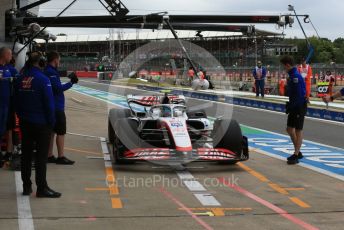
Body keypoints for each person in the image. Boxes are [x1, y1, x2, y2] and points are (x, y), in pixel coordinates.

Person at [15, 52, 61, 197]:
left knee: (26, 156)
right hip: (41, 124)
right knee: (41, 157)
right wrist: (51, 122)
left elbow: (15, 102)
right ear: (41, 63)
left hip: (25, 122)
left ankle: (26, 186)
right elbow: (49, 104)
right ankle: (42, 188)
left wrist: (22, 117)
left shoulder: (20, 78)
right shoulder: (43, 79)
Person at [44, 51, 78, 165]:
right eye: (59, 60)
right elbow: (58, 88)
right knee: (61, 132)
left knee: (52, 132)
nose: (59, 62)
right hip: (56, 107)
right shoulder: (51, 72)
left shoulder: (49, 70)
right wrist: (71, 83)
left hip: (52, 105)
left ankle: (49, 155)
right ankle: (61, 156)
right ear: (55, 60)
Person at [280, 56, 307, 165]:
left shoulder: (295, 76)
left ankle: (296, 154)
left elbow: (300, 95)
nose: (283, 69)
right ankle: (298, 151)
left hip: (299, 106)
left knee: (298, 130)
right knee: (289, 129)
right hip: (293, 105)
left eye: (283, 66)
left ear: (287, 65)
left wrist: (293, 106)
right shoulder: (291, 76)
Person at [3, 57, 19, 162]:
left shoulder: (5, 69)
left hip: (6, 103)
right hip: (11, 103)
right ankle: (9, 151)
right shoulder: (12, 70)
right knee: (10, 128)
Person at [0, 47, 13, 164]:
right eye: (10, 54)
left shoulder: (8, 68)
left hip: (6, 105)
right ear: (4, 55)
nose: (11, 57)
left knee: (3, 129)